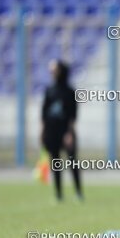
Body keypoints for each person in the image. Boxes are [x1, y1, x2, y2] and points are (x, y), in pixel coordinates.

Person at [41, 60, 82, 202]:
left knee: (72, 162)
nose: (52, 72)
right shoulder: (49, 90)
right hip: (52, 131)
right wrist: (43, 131)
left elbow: (73, 114)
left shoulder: (70, 91)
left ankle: (78, 192)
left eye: (55, 69)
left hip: (66, 131)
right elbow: (44, 113)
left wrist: (69, 133)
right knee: (55, 162)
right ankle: (58, 194)